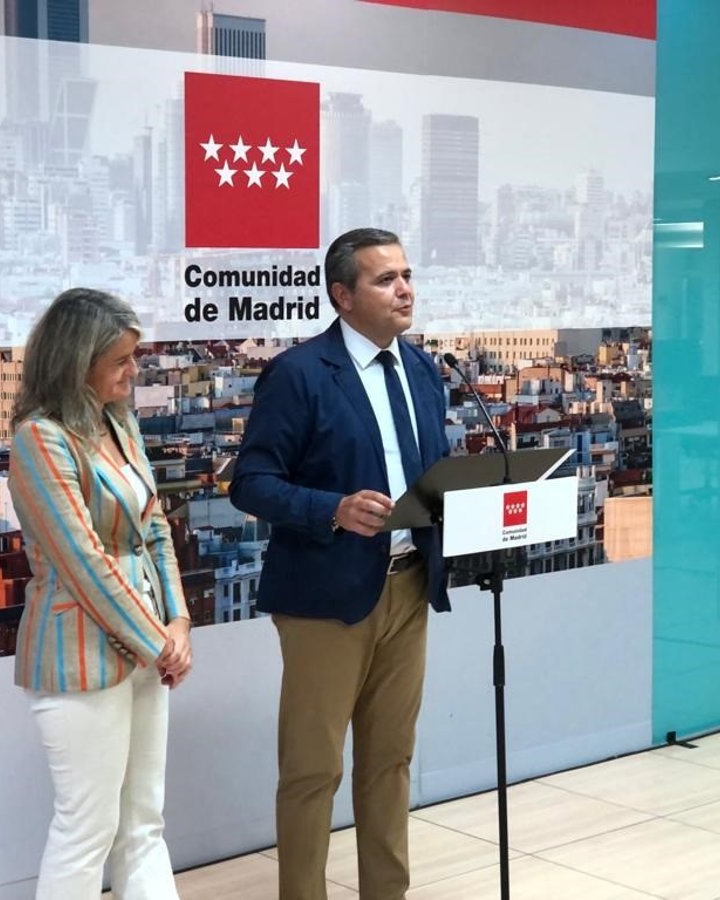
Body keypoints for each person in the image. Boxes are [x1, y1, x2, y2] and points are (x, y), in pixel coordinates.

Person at [230, 228, 451, 900]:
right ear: (343, 296)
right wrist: (332, 508)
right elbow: (251, 483)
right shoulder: (299, 374)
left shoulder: (422, 370)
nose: (405, 289)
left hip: (408, 586)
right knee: (313, 769)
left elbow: (434, 471)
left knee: (391, 760)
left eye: (407, 275)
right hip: (326, 598)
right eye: (386, 279)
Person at [9, 288, 192, 900]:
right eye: (120, 360)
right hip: (79, 657)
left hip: (148, 648)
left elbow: (154, 528)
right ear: (75, 361)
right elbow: (83, 561)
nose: (134, 371)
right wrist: (155, 641)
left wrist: (178, 622)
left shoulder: (120, 421)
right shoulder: (40, 438)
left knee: (144, 822)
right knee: (86, 829)